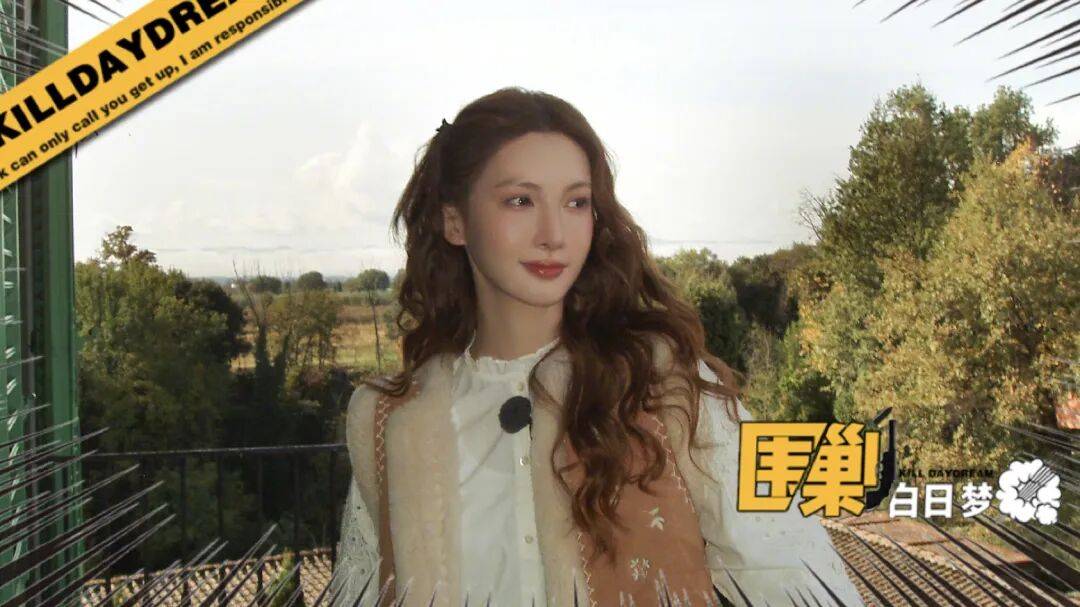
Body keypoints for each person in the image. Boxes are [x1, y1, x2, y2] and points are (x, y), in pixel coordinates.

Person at [330, 87, 864, 607]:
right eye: (520, 200)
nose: (553, 234)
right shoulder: (389, 422)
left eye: (576, 202)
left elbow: (792, 572)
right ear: (455, 222)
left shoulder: (663, 384)